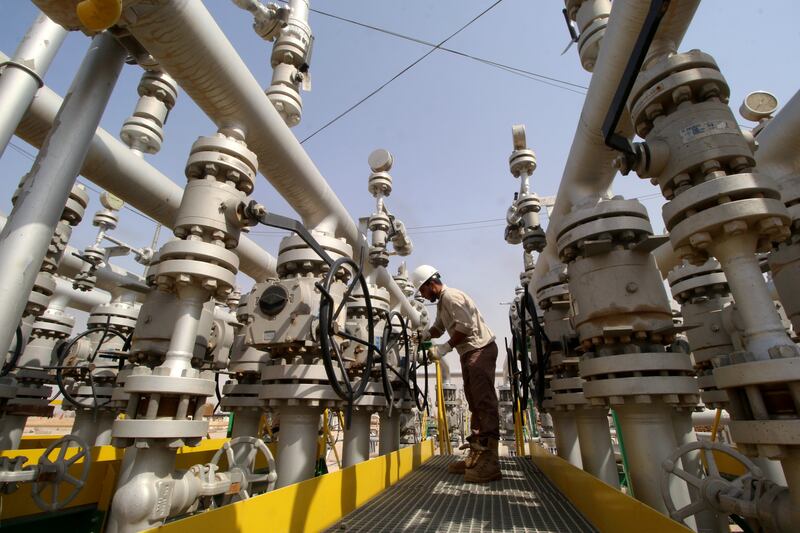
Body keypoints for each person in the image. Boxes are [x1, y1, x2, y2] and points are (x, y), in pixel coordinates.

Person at [410, 264, 501, 483]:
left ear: (431, 284)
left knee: (484, 401)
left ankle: (491, 462)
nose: (422, 295)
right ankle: (477, 455)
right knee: (473, 401)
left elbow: (465, 327)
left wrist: (444, 348)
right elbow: (439, 328)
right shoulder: (442, 303)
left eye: (422, 290)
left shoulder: (451, 297)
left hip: (480, 350)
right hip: (469, 353)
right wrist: (424, 335)